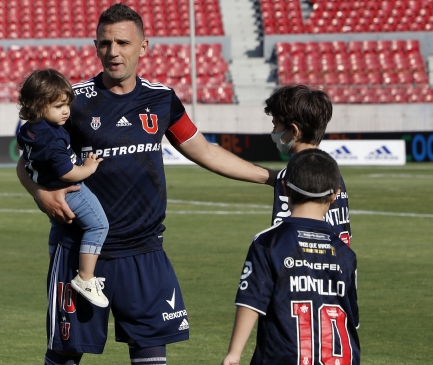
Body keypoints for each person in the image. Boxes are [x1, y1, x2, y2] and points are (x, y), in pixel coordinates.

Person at [15, 4, 276, 365]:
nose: (113, 52)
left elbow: (203, 150)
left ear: (144, 46)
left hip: (145, 250)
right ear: (95, 46)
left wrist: (272, 177)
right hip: (81, 251)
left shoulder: (161, 99)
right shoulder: (71, 102)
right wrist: (40, 193)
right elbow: (25, 161)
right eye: (105, 43)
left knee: (151, 356)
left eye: (123, 42)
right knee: (64, 355)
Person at [221, 148, 360, 365]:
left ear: (284, 189)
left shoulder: (269, 243)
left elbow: (252, 301)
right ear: (335, 195)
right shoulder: (345, 253)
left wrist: (234, 353)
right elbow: (351, 319)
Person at [16, 68, 109, 308]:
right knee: (99, 225)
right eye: (58, 106)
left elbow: (24, 160)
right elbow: (66, 171)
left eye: (67, 104)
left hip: (44, 189)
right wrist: (88, 168)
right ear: (38, 105)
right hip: (69, 190)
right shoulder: (53, 137)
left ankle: (53, 257)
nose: (66, 111)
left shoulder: (28, 129)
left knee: (57, 225)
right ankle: (86, 278)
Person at [266, 85, 352, 246]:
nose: (273, 131)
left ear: (293, 130)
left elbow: (286, 244)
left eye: (275, 124)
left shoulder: (294, 175)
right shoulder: (332, 172)